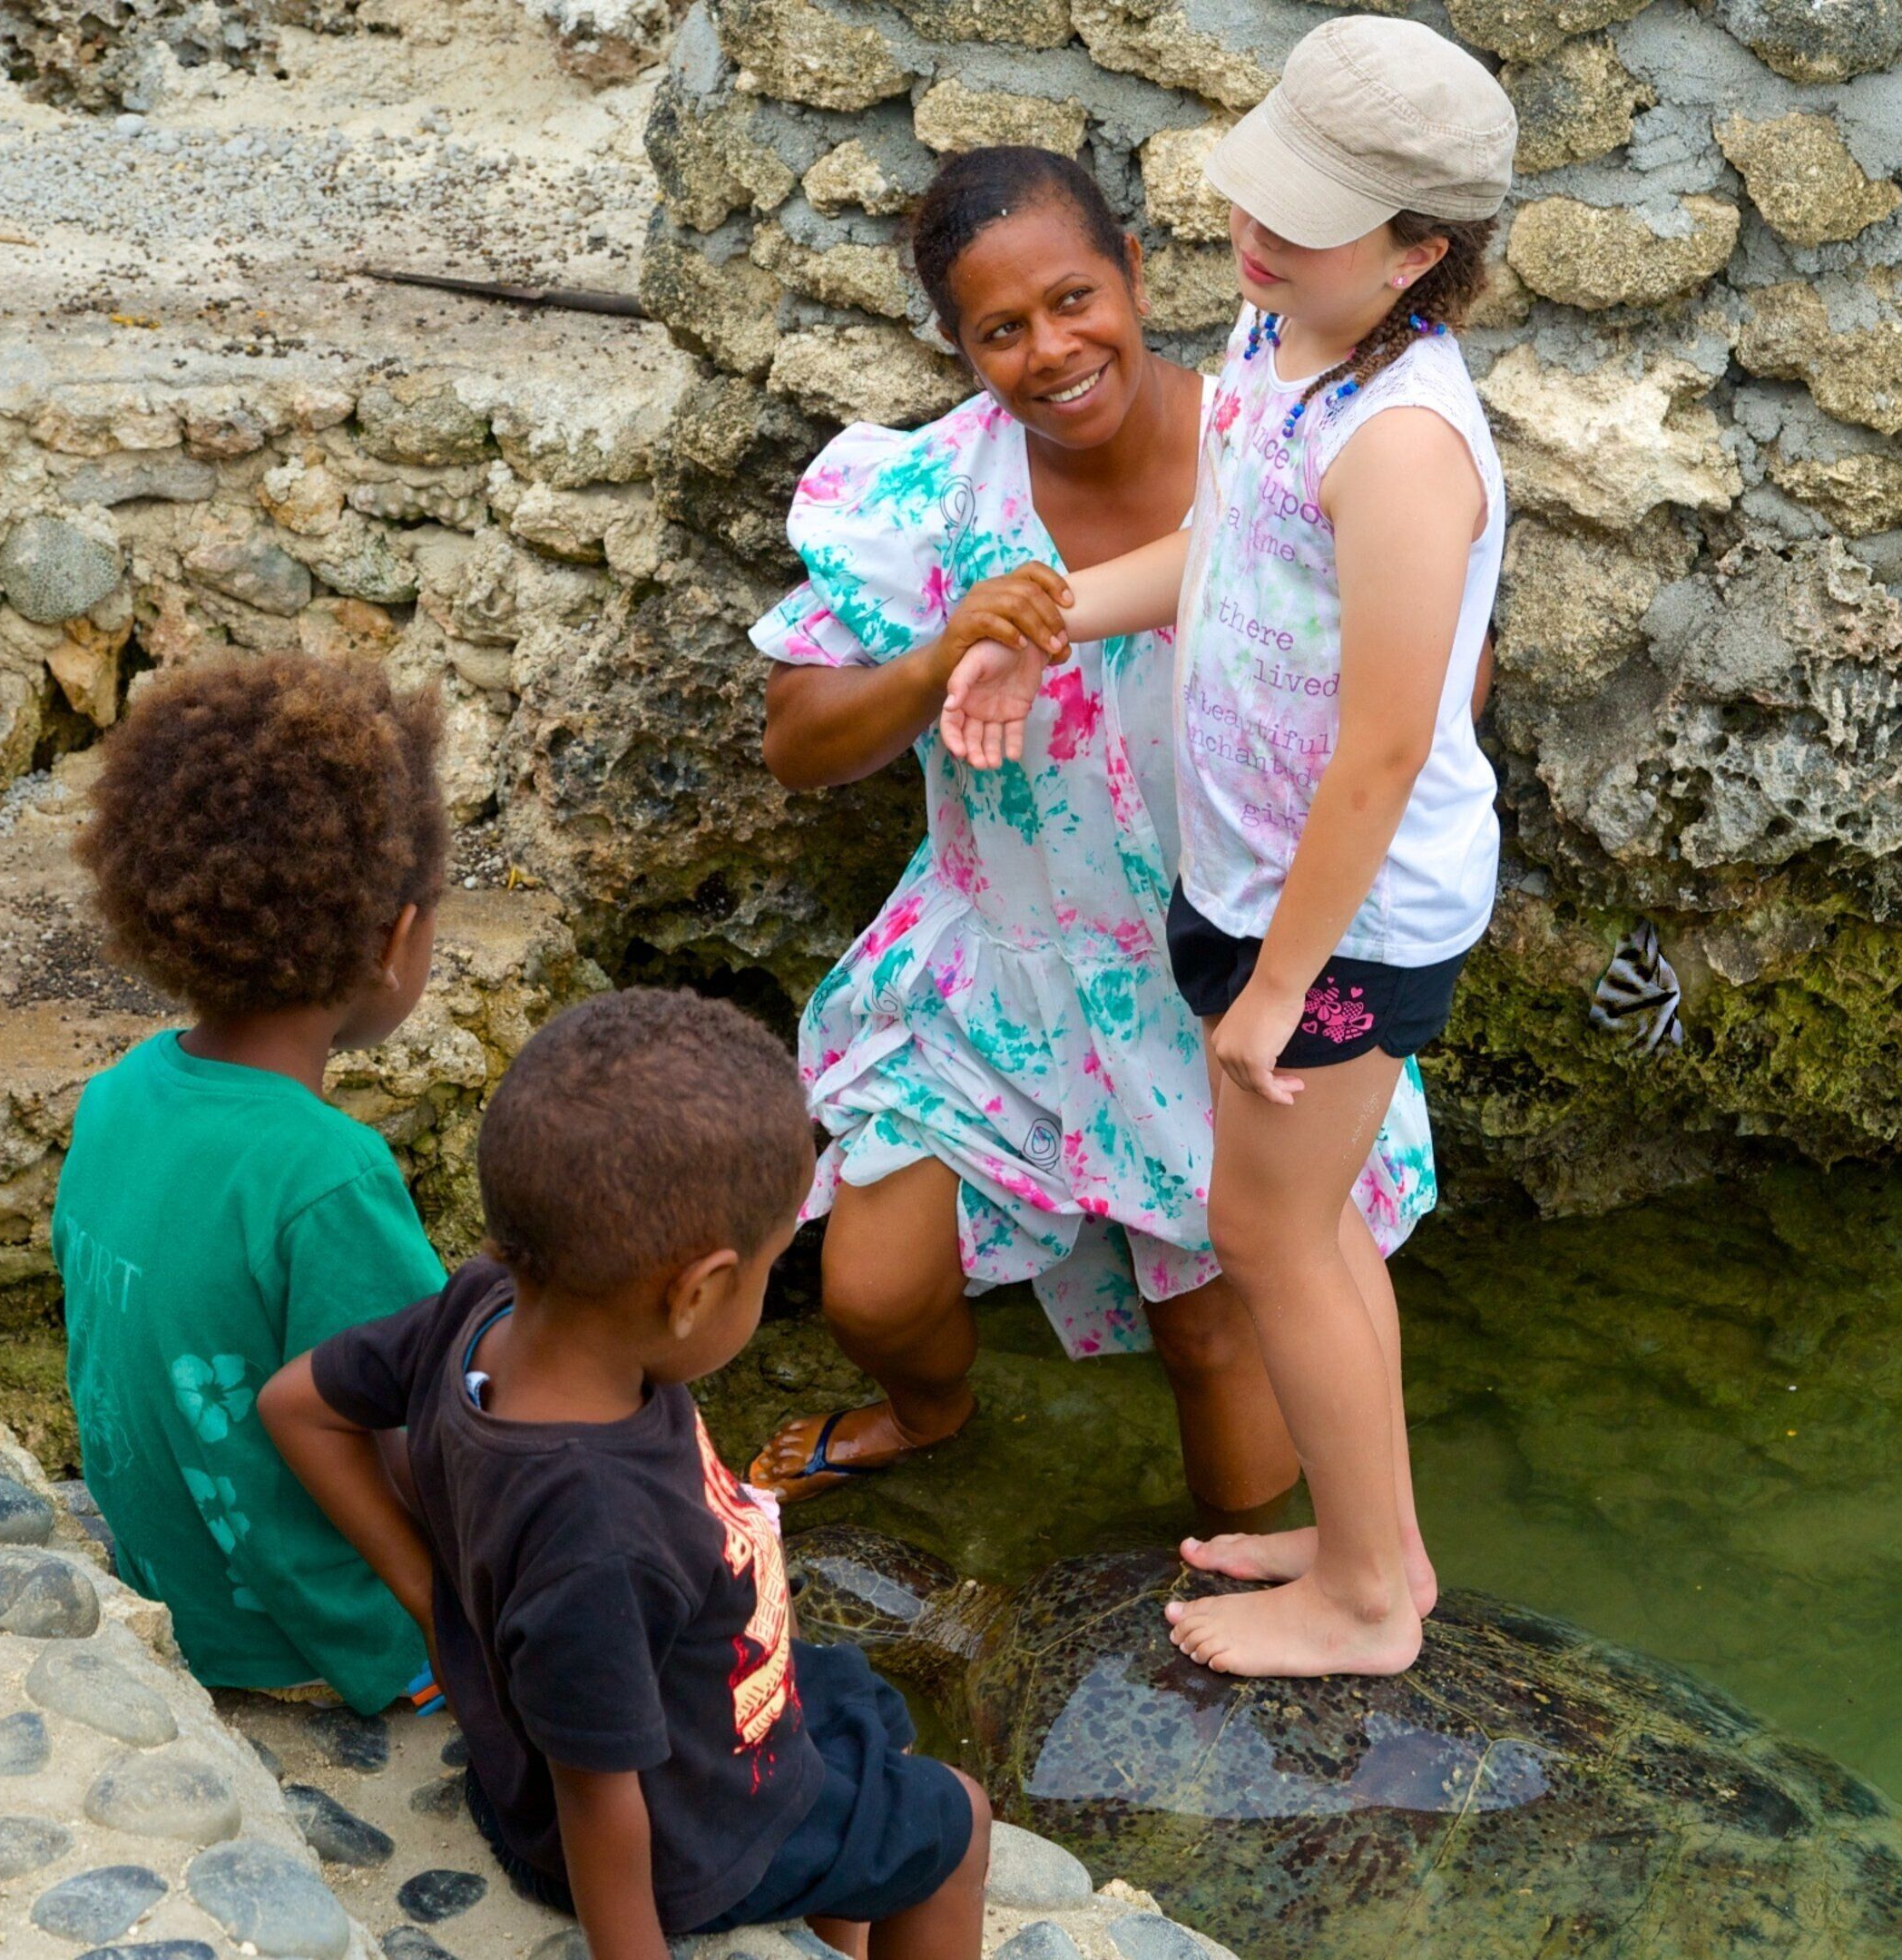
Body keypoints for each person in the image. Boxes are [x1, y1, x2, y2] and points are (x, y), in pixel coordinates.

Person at [929, 18, 1515, 1678]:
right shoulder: (1277, 336)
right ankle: (1370, 1542)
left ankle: (1361, 1610)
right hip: (1249, 880)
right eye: (1259, 192)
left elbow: (1391, 746)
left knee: (1266, 1236)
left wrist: (1282, 986)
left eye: (1307, 216)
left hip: (1343, 921)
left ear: (1420, 250)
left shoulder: (1403, 444)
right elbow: (1218, 555)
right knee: (1313, 1224)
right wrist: (1047, 625)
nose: (1255, 234)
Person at [746, 144, 1437, 1529]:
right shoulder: (931, 500)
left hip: (1217, 979)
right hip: (996, 971)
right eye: (1000, 330)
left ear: (1133, 272)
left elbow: (1424, 706)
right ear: (958, 347)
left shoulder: (1282, 450)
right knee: (872, 1286)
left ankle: (1239, 1586)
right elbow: (796, 746)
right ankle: (934, 1416)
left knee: (1214, 1338)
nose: (1050, 351)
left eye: (1074, 299)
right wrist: (941, 647)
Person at [259, 990, 990, 1960]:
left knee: (862, 1704)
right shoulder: (597, 1531)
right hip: (695, 1835)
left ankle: (838, 1925)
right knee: (958, 1819)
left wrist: (435, 1599)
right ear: (695, 1292)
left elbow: (296, 1404)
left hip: (675, 1722)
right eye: (771, 1268)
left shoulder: (484, 1307)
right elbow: (599, 1801)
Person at [51, 655, 451, 1710]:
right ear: (395, 939)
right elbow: (424, 1448)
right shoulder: (330, 1176)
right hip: (313, 1637)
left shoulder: (118, 1095)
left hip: (170, 1585)